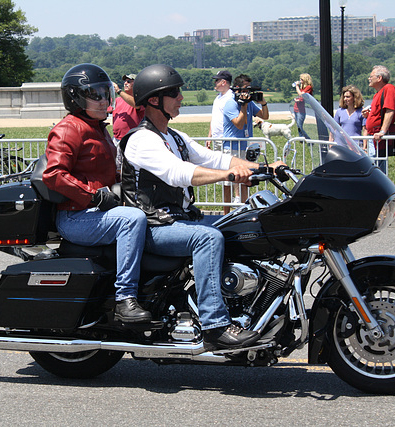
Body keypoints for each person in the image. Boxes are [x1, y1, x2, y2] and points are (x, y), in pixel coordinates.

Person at [120, 64, 283, 348]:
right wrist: (229, 176)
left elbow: (214, 159)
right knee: (207, 238)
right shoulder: (141, 140)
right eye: (174, 93)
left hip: (179, 220)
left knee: (248, 224)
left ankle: (249, 305)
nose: (181, 98)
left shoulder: (175, 137)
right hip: (156, 226)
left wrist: (265, 168)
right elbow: (178, 173)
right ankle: (215, 326)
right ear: (154, 100)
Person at [42, 63, 151, 323]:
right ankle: (125, 298)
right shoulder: (70, 128)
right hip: (76, 215)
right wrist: (93, 194)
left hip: (96, 212)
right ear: (76, 97)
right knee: (131, 220)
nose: (103, 100)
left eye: (105, 93)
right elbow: (54, 174)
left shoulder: (98, 128)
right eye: (95, 94)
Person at [221, 74, 269, 213]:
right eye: (245, 90)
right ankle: (226, 213)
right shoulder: (231, 103)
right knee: (228, 182)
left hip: (245, 147)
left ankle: (244, 210)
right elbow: (239, 124)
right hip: (231, 147)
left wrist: (263, 103)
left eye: (249, 90)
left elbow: (264, 116)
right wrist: (243, 106)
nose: (247, 93)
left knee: (245, 179)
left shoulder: (249, 103)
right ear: (237, 90)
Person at [363, 65, 395, 173]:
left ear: (379, 78)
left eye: (371, 76)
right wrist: (368, 116)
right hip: (373, 137)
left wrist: (382, 132)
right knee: (373, 166)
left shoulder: (389, 88)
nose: (369, 79)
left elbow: (390, 111)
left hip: (378, 138)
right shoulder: (377, 94)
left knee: (378, 169)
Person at [333, 85, 370, 156]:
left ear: (354, 98)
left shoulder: (362, 111)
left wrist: (365, 148)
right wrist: (331, 143)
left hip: (356, 145)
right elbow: (334, 128)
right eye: (344, 97)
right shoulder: (339, 111)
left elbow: (365, 130)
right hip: (342, 144)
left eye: (348, 97)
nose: (345, 99)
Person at [208, 70, 234, 141]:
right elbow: (214, 119)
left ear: (223, 82)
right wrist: (209, 136)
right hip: (216, 138)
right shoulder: (217, 98)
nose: (215, 82)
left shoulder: (231, 98)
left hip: (226, 138)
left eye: (217, 80)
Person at [293, 73, 313, 139]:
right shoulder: (302, 87)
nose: (300, 81)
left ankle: (307, 138)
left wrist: (296, 86)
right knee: (298, 126)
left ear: (305, 80)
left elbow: (301, 95)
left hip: (301, 110)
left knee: (300, 125)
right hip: (296, 108)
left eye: (301, 79)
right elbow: (301, 97)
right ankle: (301, 138)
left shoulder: (308, 87)